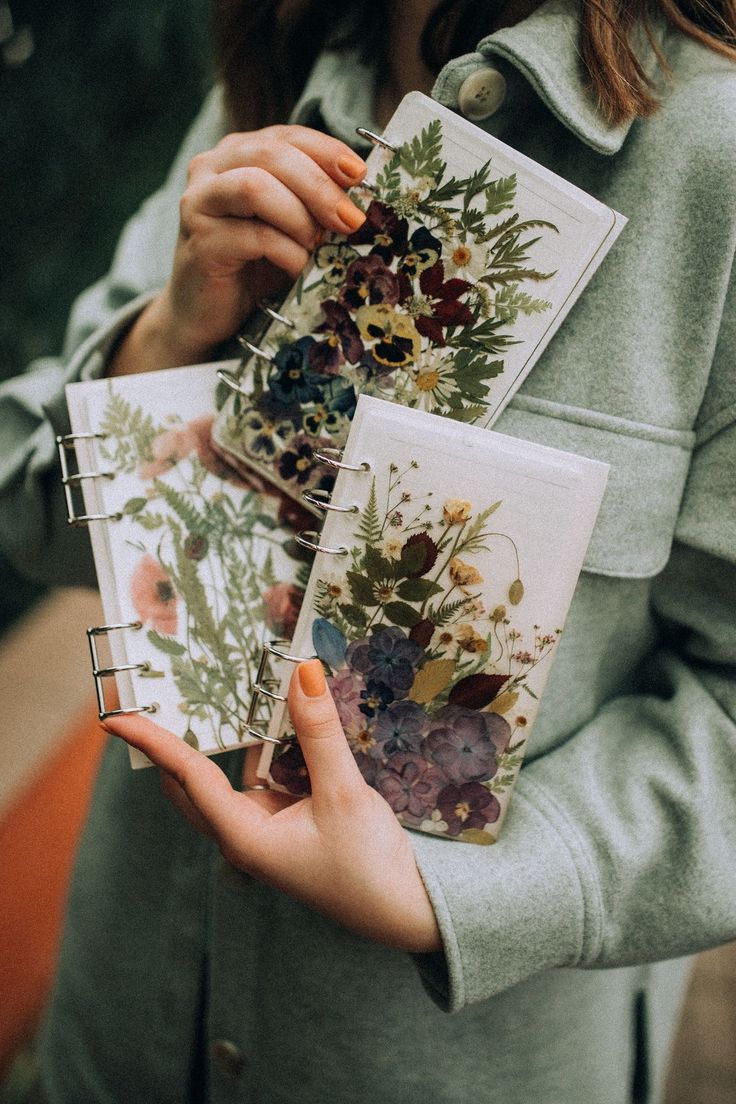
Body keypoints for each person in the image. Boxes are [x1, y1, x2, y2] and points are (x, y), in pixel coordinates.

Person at [1, 1, 735, 1101]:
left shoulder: (713, 164)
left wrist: (458, 894)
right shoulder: (279, 69)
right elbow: (27, 519)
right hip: (120, 1029)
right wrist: (166, 343)